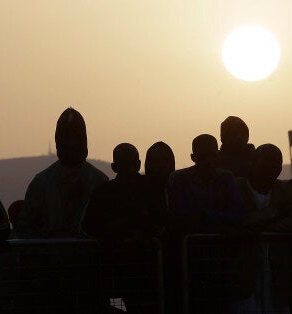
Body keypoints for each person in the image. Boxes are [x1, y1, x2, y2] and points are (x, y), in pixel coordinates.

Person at [83, 143, 167, 313]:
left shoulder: (152, 188)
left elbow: (163, 221)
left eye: (131, 164)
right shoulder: (104, 192)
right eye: (124, 164)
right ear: (115, 167)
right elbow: (90, 225)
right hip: (115, 265)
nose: (129, 169)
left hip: (141, 266)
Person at [168, 134, 246, 314]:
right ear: (193, 157)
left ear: (217, 156)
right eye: (203, 156)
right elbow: (180, 216)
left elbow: (237, 214)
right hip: (190, 260)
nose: (208, 161)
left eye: (211, 155)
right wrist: (219, 221)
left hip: (222, 260)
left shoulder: (226, 178)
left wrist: (204, 216)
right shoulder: (180, 179)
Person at [235, 144, 292, 314]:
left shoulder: (283, 189)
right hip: (244, 275)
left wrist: (268, 225)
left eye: (277, 162)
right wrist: (272, 215)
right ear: (253, 162)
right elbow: (233, 220)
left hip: (277, 277)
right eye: (267, 161)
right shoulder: (237, 187)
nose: (273, 166)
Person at [15, 107, 108, 238]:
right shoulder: (41, 183)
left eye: (76, 137)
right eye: (66, 137)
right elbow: (25, 227)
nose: (71, 143)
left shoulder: (100, 182)